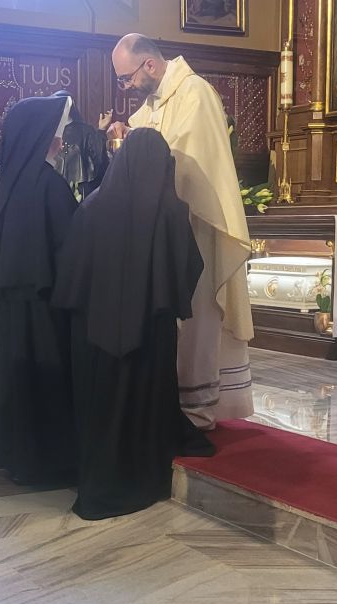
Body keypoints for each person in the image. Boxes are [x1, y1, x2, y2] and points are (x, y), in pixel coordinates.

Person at [53, 128, 211, 520]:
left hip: (93, 334)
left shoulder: (92, 207)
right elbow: (190, 268)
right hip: (149, 335)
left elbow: (71, 275)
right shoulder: (171, 210)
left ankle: (96, 474)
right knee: (144, 402)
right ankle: (139, 471)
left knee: (100, 405)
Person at [106, 34, 254, 431]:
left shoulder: (195, 94)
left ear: (150, 65)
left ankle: (196, 411)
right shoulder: (155, 102)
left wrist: (138, 152)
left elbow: (187, 162)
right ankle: (167, 403)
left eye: (126, 78)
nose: (126, 87)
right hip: (163, 230)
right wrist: (124, 138)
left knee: (197, 316)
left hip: (196, 227)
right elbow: (146, 145)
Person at [0, 95, 78, 486]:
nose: (61, 143)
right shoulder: (49, 186)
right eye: (56, 134)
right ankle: (45, 462)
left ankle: (11, 455)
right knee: (43, 384)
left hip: (5, 311)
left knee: (12, 383)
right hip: (42, 312)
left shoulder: (6, 185)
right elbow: (72, 249)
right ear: (40, 137)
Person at [50, 89, 109, 200]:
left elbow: (99, 158)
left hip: (80, 188)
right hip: (53, 186)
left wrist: (101, 132)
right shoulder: (48, 132)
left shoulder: (85, 131)